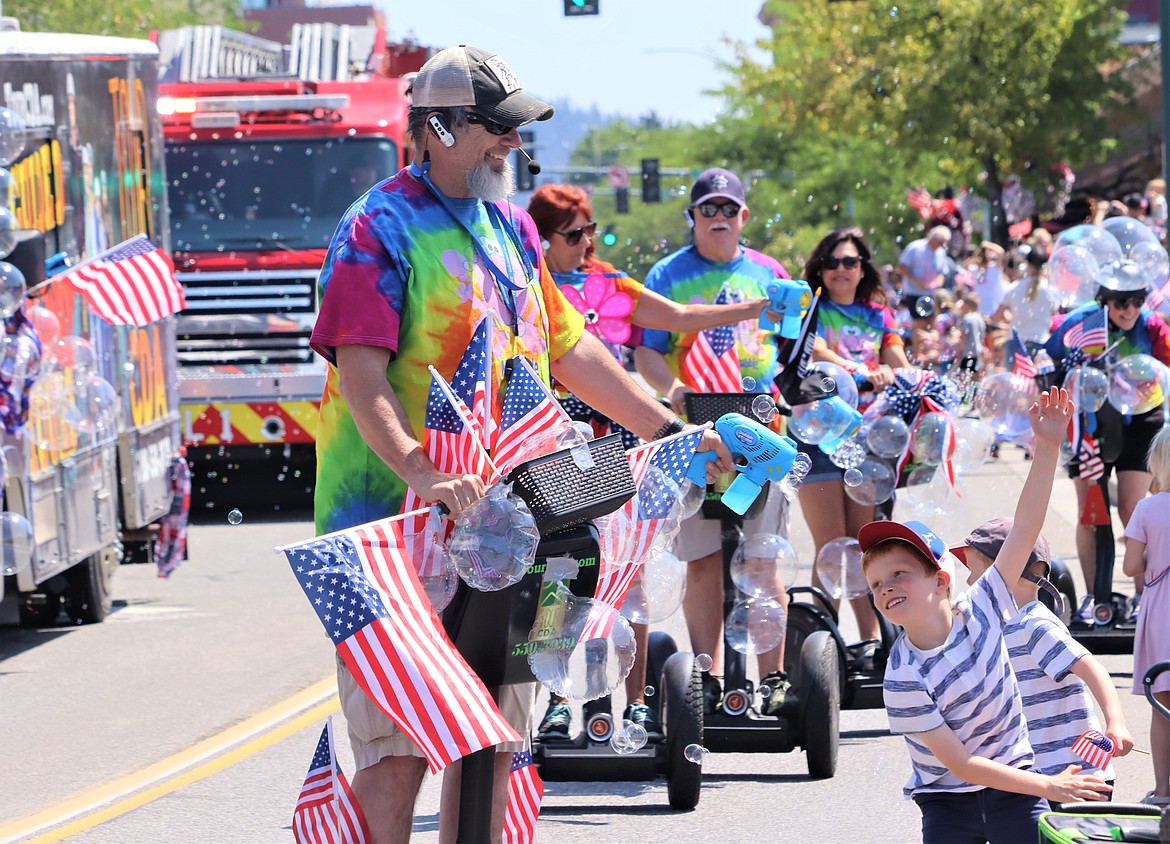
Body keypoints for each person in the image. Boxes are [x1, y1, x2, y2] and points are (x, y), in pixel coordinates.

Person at [309, 45, 732, 844]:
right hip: (388, 534)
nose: (513, 144)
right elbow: (361, 371)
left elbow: (573, 353)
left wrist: (673, 433)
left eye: (516, 129)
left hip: (512, 528)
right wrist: (421, 468)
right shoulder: (376, 226)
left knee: (497, 737)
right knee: (396, 751)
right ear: (437, 128)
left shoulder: (511, 227)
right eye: (497, 129)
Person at [526, 182, 766, 739]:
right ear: (541, 239)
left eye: (591, 230)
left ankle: (633, 703)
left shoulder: (608, 283)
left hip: (616, 435)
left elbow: (679, 317)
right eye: (574, 234)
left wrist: (754, 307)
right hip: (551, 442)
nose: (587, 242)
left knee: (625, 561)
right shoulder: (525, 287)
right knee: (563, 570)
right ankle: (561, 701)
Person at [859, 387, 1111, 844]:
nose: (887, 587)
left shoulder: (985, 606)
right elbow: (959, 764)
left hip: (1016, 790)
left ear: (942, 581)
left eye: (900, 573)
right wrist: (1053, 786)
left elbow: (1026, 527)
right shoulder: (901, 676)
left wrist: (1049, 446)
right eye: (877, 583)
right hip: (947, 802)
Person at [634, 167, 795, 717]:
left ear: (744, 217)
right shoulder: (668, 274)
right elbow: (646, 352)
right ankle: (707, 678)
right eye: (709, 209)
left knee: (760, 558)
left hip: (761, 436)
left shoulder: (770, 275)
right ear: (693, 218)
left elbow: (797, 347)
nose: (719, 218)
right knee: (702, 559)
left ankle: (773, 680)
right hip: (699, 438)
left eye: (730, 209)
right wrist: (673, 389)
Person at [953, 518, 1135, 808]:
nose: (969, 584)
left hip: (1075, 773)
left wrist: (1116, 723)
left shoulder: (1033, 625)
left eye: (975, 574)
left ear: (1003, 575)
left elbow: (1091, 668)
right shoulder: (1002, 626)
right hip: (1038, 775)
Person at [797, 228, 913, 647]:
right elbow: (817, 352)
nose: (841, 270)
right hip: (818, 435)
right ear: (821, 270)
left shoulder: (879, 315)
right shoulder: (810, 310)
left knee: (866, 546)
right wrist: (857, 367)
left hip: (869, 439)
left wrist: (903, 374)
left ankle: (873, 641)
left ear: (863, 267)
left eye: (849, 262)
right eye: (832, 263)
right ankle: (818, 642)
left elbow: (897, 359)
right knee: (831, 544)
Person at [1045, 264, 1170, 627]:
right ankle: (1094, 599)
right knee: (1090, 513)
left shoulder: (1153, 326)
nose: (1129, 309)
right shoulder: (1083, 322)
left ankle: (1144, 595)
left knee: (1133, 508)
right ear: (1104, 299)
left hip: (1139, 421)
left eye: (1137, 300)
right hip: (1092, 423)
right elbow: (1048, 359)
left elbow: (1165, 368)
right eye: (1120, 302)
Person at [1121, 425, 1170, 806]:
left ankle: (1163, 791)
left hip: (1161, 609)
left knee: (1163, 702)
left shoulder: (1148, 508)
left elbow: (1130, 566)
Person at [995, 245, 1056, 344]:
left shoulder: (1014, 287)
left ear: (1026, 263)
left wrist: (1012, 318)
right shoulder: (1051, 290)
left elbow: (997, 315)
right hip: (1041, 342)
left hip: (1016, 343)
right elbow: (1053, 315)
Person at [896, 225, 951, 311]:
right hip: (913, 292)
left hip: (931, 293)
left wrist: (937, 283)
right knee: (919, 322)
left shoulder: (941, 253)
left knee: (931, 321)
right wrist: (916, 282)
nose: (942, 246)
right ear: (933, 239)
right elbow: (901, 268)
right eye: (940, 243)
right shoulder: (915, 248)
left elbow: (942, 273)